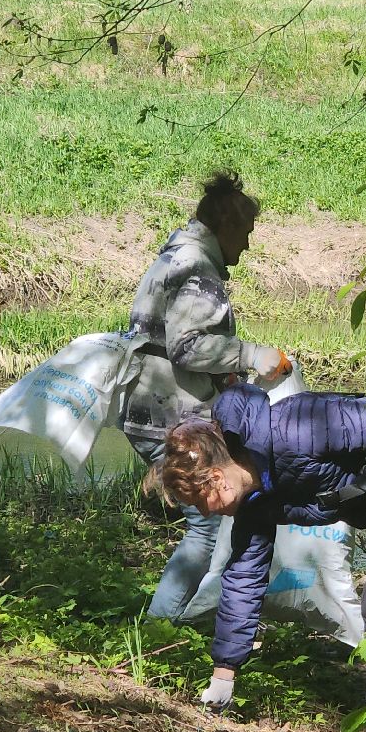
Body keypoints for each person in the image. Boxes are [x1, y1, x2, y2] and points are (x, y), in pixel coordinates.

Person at [143, 382, 366, 719]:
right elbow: (244, 578)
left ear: (217, 478)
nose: (204, 513)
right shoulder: (254, 500)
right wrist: (223, 674)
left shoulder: (296, 429)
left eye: (200, 501)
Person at [121, 172, 293, 618]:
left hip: (150, 406)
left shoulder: (177, 256)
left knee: (209, 522)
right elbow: (186, 345)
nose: (248, 245)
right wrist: (252, 356)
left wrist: (225, 380)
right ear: (227, 225)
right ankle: (161, 625)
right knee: (207, 526)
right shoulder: (198, 268)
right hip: (169, 414)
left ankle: (192, 618)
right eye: (247, 233)